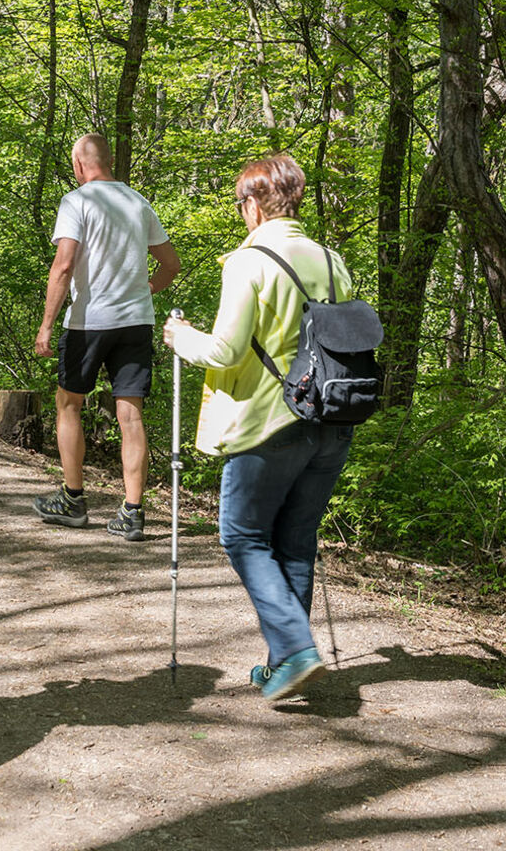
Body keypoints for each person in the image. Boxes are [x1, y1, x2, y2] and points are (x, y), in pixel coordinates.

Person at [162, 154, 352, 700]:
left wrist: (182, 338)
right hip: (332, 415)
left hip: (270, 419)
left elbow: (225, 347)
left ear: (252, 203)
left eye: (241, 202)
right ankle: (286, 665)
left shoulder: (249, 261)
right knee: (295, 539)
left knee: (242, 534)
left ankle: (294, 650)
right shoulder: (332, 260)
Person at [33, 134, 179, 539]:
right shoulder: (137, 202)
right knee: (130, 413)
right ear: (109, 162)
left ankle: (73, 499)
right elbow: (171, 264)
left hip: (88, 321)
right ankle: (132, 512)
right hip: (136, 321)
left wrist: (47, 325)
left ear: (80, 164)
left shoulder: (77, 201)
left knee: (69, 403)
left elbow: (63, 266)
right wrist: (143, 290)